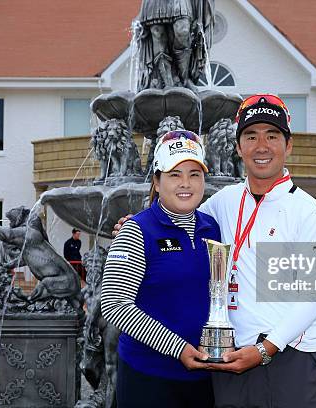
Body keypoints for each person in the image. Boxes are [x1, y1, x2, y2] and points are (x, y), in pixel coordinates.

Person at [114, 94, 316, 407]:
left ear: (288, 146)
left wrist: (266, 348)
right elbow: (178, 213)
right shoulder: (224, 203)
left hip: (290, 356)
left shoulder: (309, 213)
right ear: (237, 147)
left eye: (272, 136)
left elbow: (314, 296)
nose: (261, 146)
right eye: (251, 136)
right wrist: (134, 224)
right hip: (229, 359)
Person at [101, 130, 221, 408]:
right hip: (149, 377)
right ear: (157, 180)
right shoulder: (136, 229)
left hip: (205, 378)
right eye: (174, 174)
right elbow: (114, 304)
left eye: (194, 174)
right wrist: (177, 349)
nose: (186, 183)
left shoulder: (212, 227)